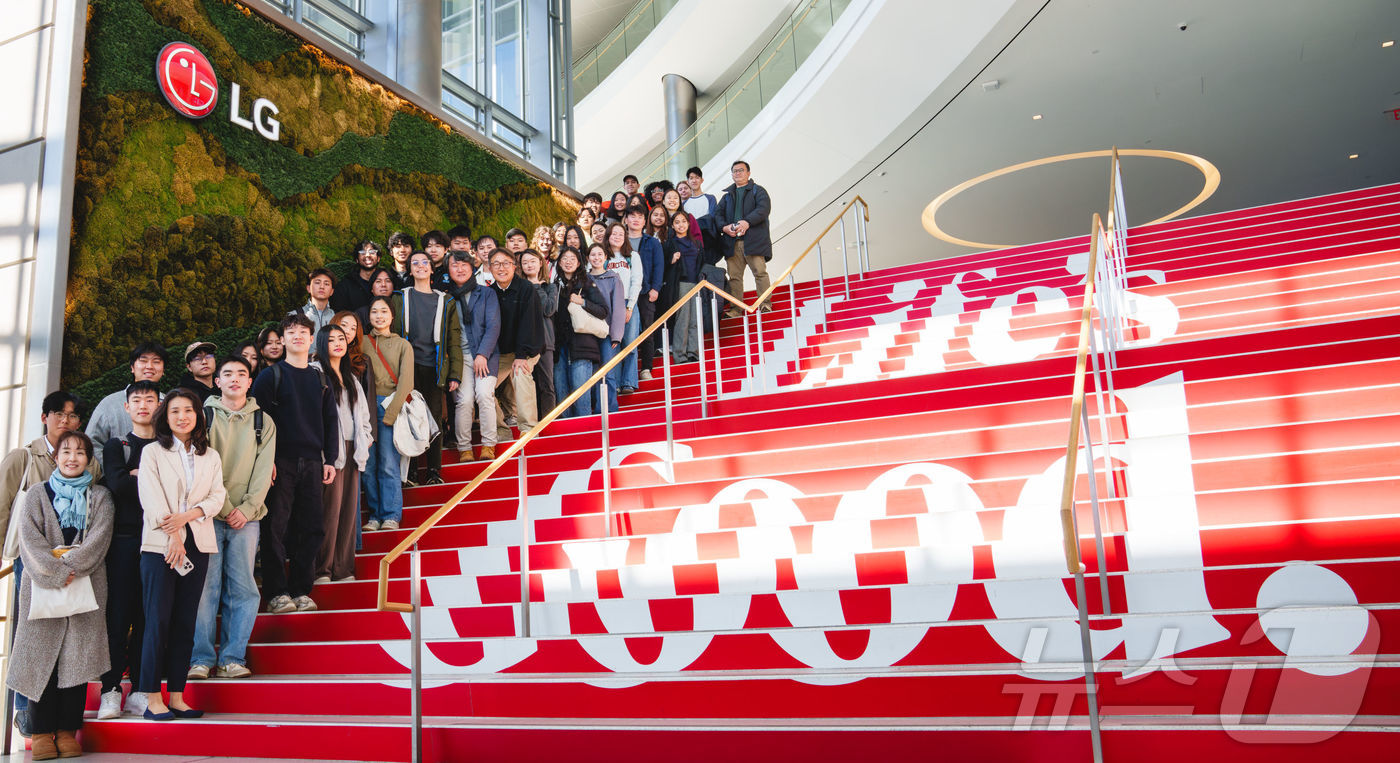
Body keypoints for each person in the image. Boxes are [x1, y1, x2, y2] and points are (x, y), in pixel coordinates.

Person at [7, 430, 113, 758]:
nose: (72, 458)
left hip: (86, 586)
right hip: (41, 586)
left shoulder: (100, 497)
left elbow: (99, 540)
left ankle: (67, 732)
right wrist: (56, 572)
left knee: (76, 660)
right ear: (56, 457)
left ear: (89, 460)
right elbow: (29, 540)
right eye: (66, 451)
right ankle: (41, 733)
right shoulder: (36, 494)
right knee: (39, 658)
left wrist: (71, 568)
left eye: (80, 453)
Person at [136, 390, 225, 721]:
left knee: (186, 621)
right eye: (175, 411)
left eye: (189, 410)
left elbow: (217, 496)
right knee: (157, 621)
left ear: (198, 415)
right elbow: (152, 498)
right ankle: (151, 698)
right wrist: (173, 535)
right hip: (159, 546)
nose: (182, 416)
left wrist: (189, 517)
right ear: (165, 416)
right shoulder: (152, 453)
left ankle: (176, 695)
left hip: (198, 545)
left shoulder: (210, 456)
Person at [187, 356, 276, 682]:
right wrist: (224, 508)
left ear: (250, 382)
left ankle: (232, 658)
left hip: (247, 519)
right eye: (228, 374)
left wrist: (247, 509)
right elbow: (200, 466)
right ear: (218, 381)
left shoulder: (263, 421)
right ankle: (200, 658)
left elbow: (264, 470)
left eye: (242, 373)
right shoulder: (203, 416)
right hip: (208, 516)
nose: (235, 379)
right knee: (204, 590)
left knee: (243, 589)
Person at [249, 314, 339, 614]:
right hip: (279, 463)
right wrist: (265, 461)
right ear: (283, 340)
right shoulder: (270, 376)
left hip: (313, 462)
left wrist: (330, 458)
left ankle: (301, 590)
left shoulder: (320, 378)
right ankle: (277, 593)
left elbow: (330, 420)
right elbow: (257, 421)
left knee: (311, 528)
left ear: (311, 339)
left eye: (303, 332)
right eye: (291, 332)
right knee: (275, 527)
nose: (297, 336)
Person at [96, 381, 162, 720]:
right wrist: (146, 480)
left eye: (150, 399)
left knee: (147, 617)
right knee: (118, 617)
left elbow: (173, 490)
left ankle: (139, 690)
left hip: (158, 539)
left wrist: (137, 475)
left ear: (159, 405)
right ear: (126, 407)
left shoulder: (167, 446)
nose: (143, 405)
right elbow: (118, 485)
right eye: (137, 400)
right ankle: (110, 690)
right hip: (123, 540)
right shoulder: (116, 445)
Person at [390, 253, 463, 485]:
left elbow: (454, 339)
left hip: (434, 366)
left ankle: (433, 471)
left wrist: (455, 373)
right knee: (408, 417)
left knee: (433, 418)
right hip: (406, 368)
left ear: (432, 269)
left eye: (425, 263)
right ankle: (411, 472)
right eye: (415, 263)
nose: (420, 266)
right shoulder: (400, 297)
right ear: (409, 270)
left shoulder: (446, 301)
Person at [311, 326, 372, 582]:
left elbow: (364, 417)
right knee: (329, 511)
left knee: (348, 511)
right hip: (329, 450)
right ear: (321, 343)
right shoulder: (315, 373)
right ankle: (322, 570)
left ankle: (343, 568)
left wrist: (366, 439)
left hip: (353, 448)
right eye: (331, 339)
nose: (338, 343)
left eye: (341, 339)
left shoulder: (351, 377)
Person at [362, 297, 414, 531]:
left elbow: (406, 382)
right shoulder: (361, 342)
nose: (379, 316)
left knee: (388, 463)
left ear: (392, 316)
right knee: (368, 465)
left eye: (384, 311)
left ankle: (391, 514)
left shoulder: (402, 344)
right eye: (374, 311)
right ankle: (374, 515)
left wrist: (391, 414)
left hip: (389, 405)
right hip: (364, 407)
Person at [443, 251, 500, 462]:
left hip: (485, 353)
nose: (460, 269)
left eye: (464, 265)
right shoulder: (445, 298)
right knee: (464, 400)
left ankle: (488, 445)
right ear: (448, 270)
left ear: (472, 267)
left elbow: (493, 326)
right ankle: (465, 448)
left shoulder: (486, 293)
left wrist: (482, 354)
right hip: (459, 357)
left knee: (484, 394)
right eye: (454, 265)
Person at [488, 249, 544, 442]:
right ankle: (501, 430)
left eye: (506, 263)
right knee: (484, 387)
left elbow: (528, 323)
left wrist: (521, 355)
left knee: (521, 375)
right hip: (502, 353)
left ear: (514, 266)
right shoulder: (490, 293)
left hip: (527, 349)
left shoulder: (526, 289)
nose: (501, 268)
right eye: (496, 264)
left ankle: (529, 428)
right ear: (489, 268)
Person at [86, 341, 169, 463]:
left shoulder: (170, 404)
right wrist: (113, 469)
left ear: (163, 369)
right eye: (143, 360)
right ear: (132, 367)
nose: (149, 366)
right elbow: (91, 443)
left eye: (156, 362)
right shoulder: (110, 403)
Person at [553, 247, 610, 417]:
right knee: (561, 393)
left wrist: (583, 302)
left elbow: (603, 311)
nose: (568, 262)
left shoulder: (586, 283)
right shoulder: (554, 286)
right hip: (559, 346)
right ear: (559, 263)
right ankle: (566, 428)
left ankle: (585, 427)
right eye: (564, 258)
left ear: (579, 263)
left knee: (581, 393)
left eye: (572, 258)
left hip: (582, 345)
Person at [714, 159, 774, 314]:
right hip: (732, 242)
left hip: (753, 241)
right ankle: (736, 309)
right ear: (732, 175)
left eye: (741, 170)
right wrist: (725, 227)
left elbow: (763, 209)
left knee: (760, 273)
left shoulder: (758, 191)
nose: (738, 173)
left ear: (748, 173)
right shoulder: (727, 196)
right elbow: (718, 215)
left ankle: (765, 304)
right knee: (734, 277)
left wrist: (747, 222)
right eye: (735, 171)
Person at [623, 209, 665, 387]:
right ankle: (626, 372)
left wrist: (655, 288)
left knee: (647, 329)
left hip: (646, 291)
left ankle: (646, 368)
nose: (636, 220)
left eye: (640, 217)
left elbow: (659, 266)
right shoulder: (620, 240)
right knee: (626, 332)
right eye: (632, 216)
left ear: (644, 221)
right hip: (624, 293)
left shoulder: (652, 241)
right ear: (626, 219)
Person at [586, 243, 627, 413]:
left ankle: (610, 409)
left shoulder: (613, 278)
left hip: (607, 332)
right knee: (593, 372)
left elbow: (618, 308)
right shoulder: (584, 279)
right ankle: (596, 409)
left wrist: (616, 335)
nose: (596, 258)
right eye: (592, 255)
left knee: (608, 372)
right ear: (588, 258)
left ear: (605, 257)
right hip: (588, 332)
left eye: (599, 254)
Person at [521, 249, 559, 417]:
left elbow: (548, 309)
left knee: (546, 384)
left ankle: (548, 421)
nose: (529, 265)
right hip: (524, 343)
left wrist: (537, 286)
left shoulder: (550, 287)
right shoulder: (519, 288)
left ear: (540, 263)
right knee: (527, 386)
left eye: (532, 261)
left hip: (545, 342)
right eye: (525, 262)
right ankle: (531, 422)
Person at [667, 211, 704, 363]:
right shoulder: (670, 243)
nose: (681, 225)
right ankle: (680, 354)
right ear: (672, 226)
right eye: (677, 222)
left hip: (696, 283)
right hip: (680, 284)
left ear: (688, 224)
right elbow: (665, 265)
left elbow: (702, 263)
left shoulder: (696, 243)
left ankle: (693, 352)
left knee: (695, 319)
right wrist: (672, 260)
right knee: (682, 319)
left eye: (683, 221)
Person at [330, 240, 384, 313]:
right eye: (363, 253)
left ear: (378, 258)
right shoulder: (345, 286)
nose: (367, 255)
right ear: (357, 260)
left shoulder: (386, 283)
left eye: (372, 252)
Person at [301, 268, 338, 335]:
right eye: (317, 283)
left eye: (326, 284)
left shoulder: (337, 317)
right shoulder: (295, 315)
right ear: (308, 288)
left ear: (332, 291)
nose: (322, 287)